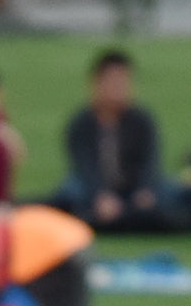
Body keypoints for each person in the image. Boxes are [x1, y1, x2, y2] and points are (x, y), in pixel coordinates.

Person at [53, 48, 178, 230]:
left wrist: (144, 189)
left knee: (170, 191)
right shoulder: (81, 123)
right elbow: (84, 165)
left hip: (132, 188)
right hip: (94, 188)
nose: (118, 88)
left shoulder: (141, 120)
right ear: (96, 83)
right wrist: (100, 195)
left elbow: (150, 161)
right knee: (71, 192)